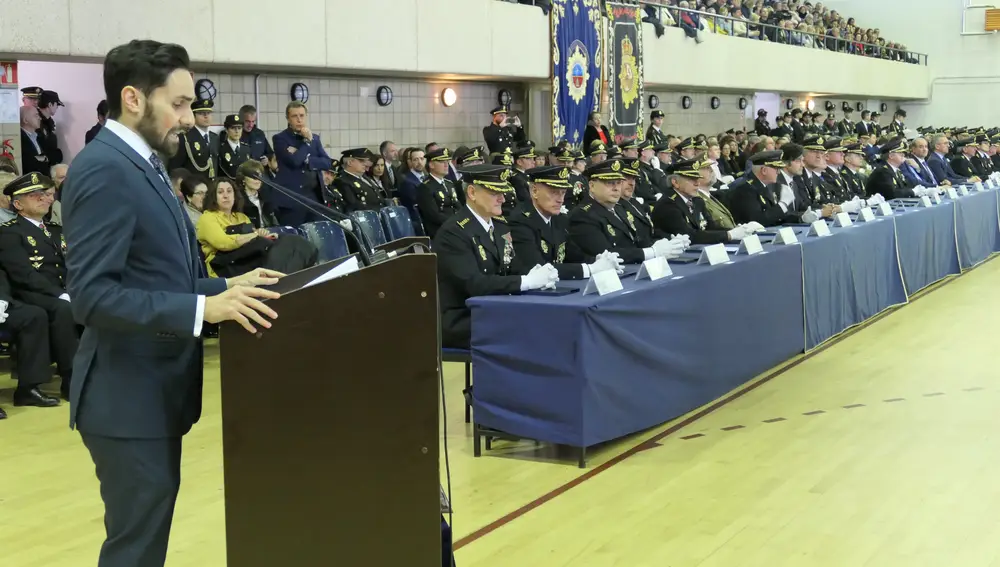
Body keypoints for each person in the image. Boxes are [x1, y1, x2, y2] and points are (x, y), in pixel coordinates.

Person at [61, 39, 282, 567]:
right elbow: (93, 297)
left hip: (151, 393)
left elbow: (155, 277)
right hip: (125, 396)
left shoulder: (146, 162)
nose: (188, 119)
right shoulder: (104, 169)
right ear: (133, 98)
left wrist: (225, 289)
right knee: (135, 548)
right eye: (179, 104)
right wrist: (203, 311)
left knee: (147, 540)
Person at [435, 164, 558, 349]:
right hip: (464, 318)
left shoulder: (499, 226)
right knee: (532, 330)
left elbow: (512, 266)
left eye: (502, 192)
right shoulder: (454, 232)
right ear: (472, 192)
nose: (502, 198)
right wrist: (526, 282)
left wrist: (538, 273)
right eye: (494, 193)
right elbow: (475, 284)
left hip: (494, 308)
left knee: (550, 317)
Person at [0, 172, 79, 399]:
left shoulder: (56, 230)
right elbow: (22, 274)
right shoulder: (10, 232)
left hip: (63, 291)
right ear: (18, 204)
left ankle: (98, 372)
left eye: (45, 194)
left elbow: (73, 265)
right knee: (63, 309)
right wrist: (59, 294)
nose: (44, 198)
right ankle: (70, 377)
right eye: (35, 195)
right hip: (29, 293)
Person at [508, 164, 623, 281]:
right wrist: (590, 269)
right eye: (554, 192)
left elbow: (574, 255)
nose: (560, 199)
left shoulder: (559, 219)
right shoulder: (520, 221)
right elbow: (537, 268)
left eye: (563, 192)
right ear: (534, 191)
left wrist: (601, 261)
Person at [567, 159, 688, 264]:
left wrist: (669, 244)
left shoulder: (619, 208)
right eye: (609, 183)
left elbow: (637, 241)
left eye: (618, 182)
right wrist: (653, 252)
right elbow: (607, 254)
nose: (616, 188)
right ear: (592, 186)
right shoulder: (582, 215)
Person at [197, 177, 317, 278]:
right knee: (279, 245)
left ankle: (288, 282)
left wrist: (267, 235)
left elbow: (255, 237)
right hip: (224, 265)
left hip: (249, 258)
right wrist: (255, 235)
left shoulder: (241, 217)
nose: (226, 196)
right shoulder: (207, 218)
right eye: (220, 192)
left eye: (229, 191)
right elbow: (223, 243)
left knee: (297, 242)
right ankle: (282, 283)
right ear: (213, 196)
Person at [272, 101, 333, 226]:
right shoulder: (280, 139)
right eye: (295, 116)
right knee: (295, 238)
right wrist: (306, 142)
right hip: (292, 199)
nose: (299, 119)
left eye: (302, 115)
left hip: (314, 197)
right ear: (288, 118)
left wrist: (307, 160)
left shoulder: (314, 138)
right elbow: (294, 161)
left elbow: (327, 162)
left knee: (316, 236)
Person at [416, 147, 462, 238]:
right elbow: (434, 216)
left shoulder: (449, 184)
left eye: (447, 162)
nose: (446, 165)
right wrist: (456, 223)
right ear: (431, 165)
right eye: (442, 162)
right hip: (440, 231)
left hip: (454, 227)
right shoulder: (425, 187)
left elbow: (458, 205)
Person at [169, 98, 218, 178]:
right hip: (193, 186)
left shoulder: (214, 137)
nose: (206, 116)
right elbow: (175, 169)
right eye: (202, 113)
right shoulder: (184, 138)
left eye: (208, 113)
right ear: (193, 116)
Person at [217, 114, 249, 179]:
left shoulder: (246, 148)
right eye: (233, 128)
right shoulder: (220, 149)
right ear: (226, 130)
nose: (237, 131)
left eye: (239, 128)